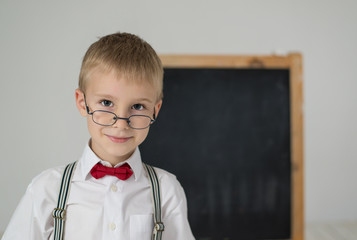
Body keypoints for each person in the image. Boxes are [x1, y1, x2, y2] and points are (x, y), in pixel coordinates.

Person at [2, 32, 195, 240]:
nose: (121, 122)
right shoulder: (47, 189)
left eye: (137, 106)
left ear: (155, 110)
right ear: (82, 103)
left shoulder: (166, 192)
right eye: (106, 103)